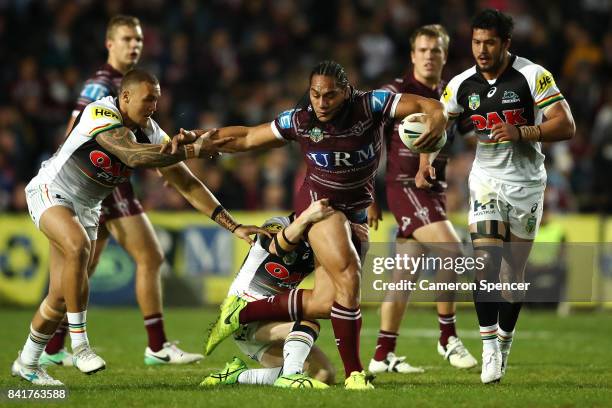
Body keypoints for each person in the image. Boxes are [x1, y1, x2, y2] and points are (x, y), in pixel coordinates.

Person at [166, 60, 447, 389]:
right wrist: (197, 140)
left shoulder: (370, 105)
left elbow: (427, 105)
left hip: (355, 212)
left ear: (345, 91)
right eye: (315, 94)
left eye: (329, 95)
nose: (321, 103)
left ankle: (242, 312)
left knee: (330, 301)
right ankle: (355, 374)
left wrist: (438, 118)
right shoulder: (300, 120)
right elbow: (245, 137)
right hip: (319, 206)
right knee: (349, 275)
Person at [11, 69, 266, 386]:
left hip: (87, 208)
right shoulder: (100, 112)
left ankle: (27, 362)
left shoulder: (151, 131)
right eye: (149, 99)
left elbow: (185, 182)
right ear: (126, 96)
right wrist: (191, 149)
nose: (154, 106)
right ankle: (80, 345)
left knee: (60, 296)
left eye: (157, 99)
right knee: (78, 247)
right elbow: (130, 154)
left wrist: (233, 225)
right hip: (52, 191)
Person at [417, 9, 575, 384]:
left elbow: (565, 124)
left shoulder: (533, 76)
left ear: (506, 44)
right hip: (485, 180)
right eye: (476, 42)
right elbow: (440, 123)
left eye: (489, 42)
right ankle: (489, 346)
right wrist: (426, 161)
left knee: (511, 276)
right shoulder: (460, 85)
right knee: (486, 260)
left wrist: (523, 133)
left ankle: (504, 342)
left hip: (527, 184)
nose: (481, 50)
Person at [40, 15, 202, 368]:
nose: (134, 45)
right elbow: (78, 129)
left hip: (110, 179)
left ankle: (52, 347)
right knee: (145, 256)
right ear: (109, 43)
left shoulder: (127, 84)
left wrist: (158, 158)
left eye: (139, 40)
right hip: (97, 182)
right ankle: (155, 346)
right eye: (127, 39)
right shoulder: (102, 85)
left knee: (85, 265)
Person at [367, 24, 477, 374]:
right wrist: (368, 192)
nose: (429, 56)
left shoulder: (450, 94)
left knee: (404, 274)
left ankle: (382, 353)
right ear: (412, 55)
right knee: (452, 249)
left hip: (436, 189)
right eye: (423, 50)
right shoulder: (396, 93)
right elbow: (366, 137)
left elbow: (463, 140)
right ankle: (447, 337)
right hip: (405, 186)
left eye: (436, 50)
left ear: (445, 55)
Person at [200, 200, 336, 389]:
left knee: (324, 374)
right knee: (308, 321)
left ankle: (237, 376)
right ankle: (291, 376)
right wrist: (306, 220)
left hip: (273, 317)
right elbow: (274, 245)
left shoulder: (320, 242)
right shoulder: (278, 223)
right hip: (245, 311)